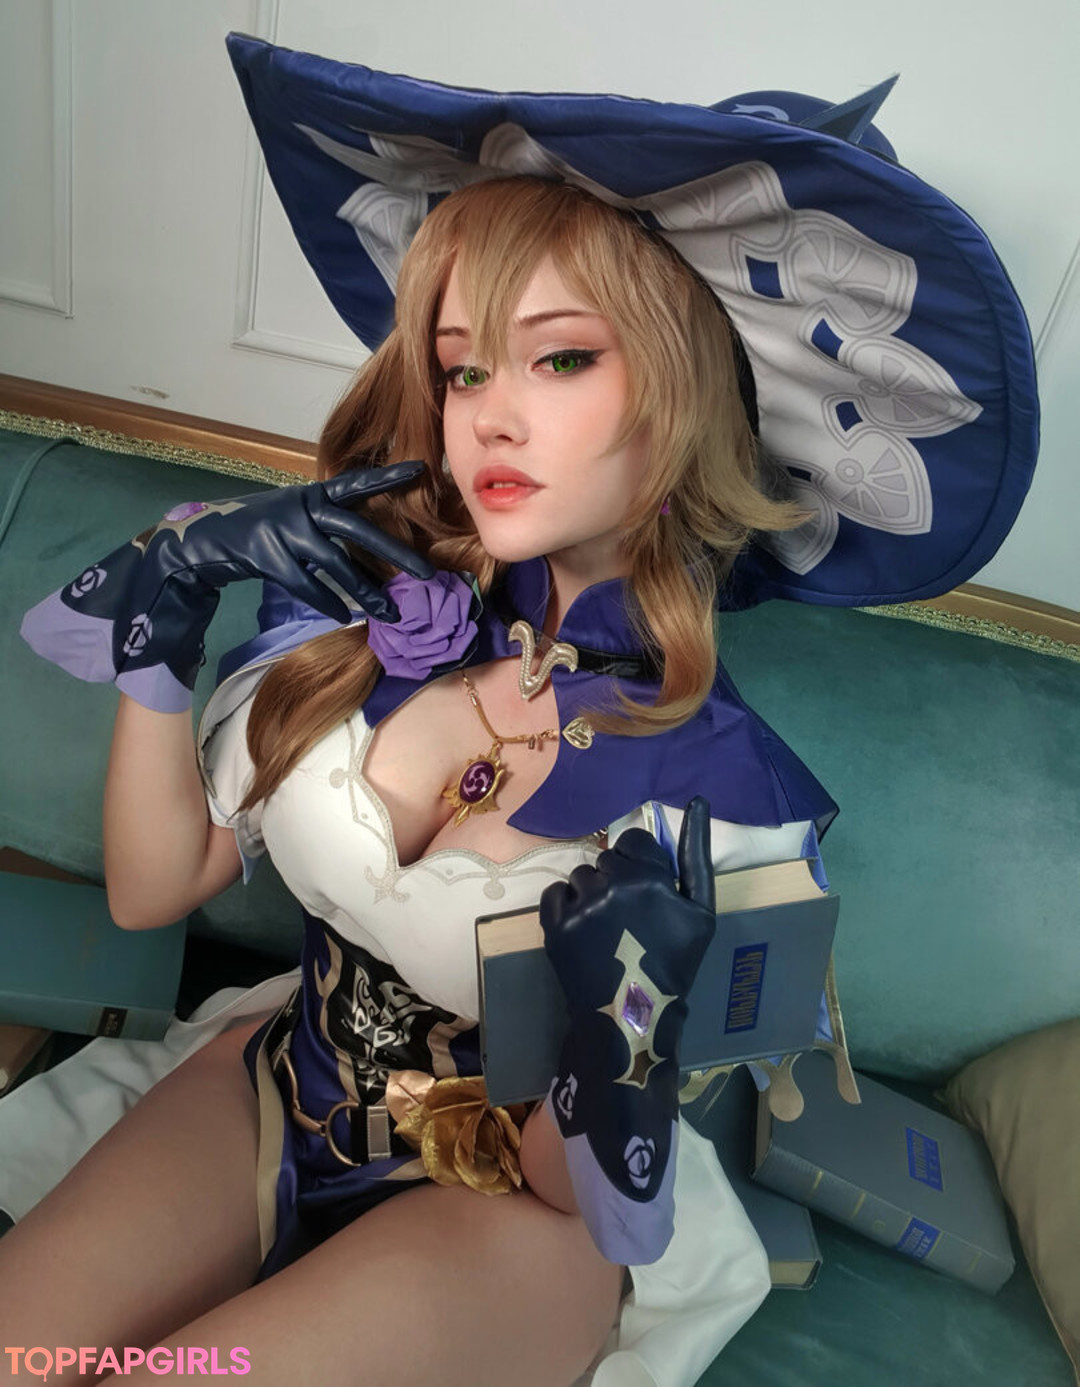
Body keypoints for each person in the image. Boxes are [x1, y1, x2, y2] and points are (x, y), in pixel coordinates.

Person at [1, 39, 1038, 1387]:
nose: (488, 420)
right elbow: (154, 894)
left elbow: (587, 1193)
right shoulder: (361, 602)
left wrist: (620, 1040)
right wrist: (172, 607)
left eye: (559, 359)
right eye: (463, 370)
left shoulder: (731, 807)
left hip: (515, 1209)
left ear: (684, 393)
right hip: (279, 1087)